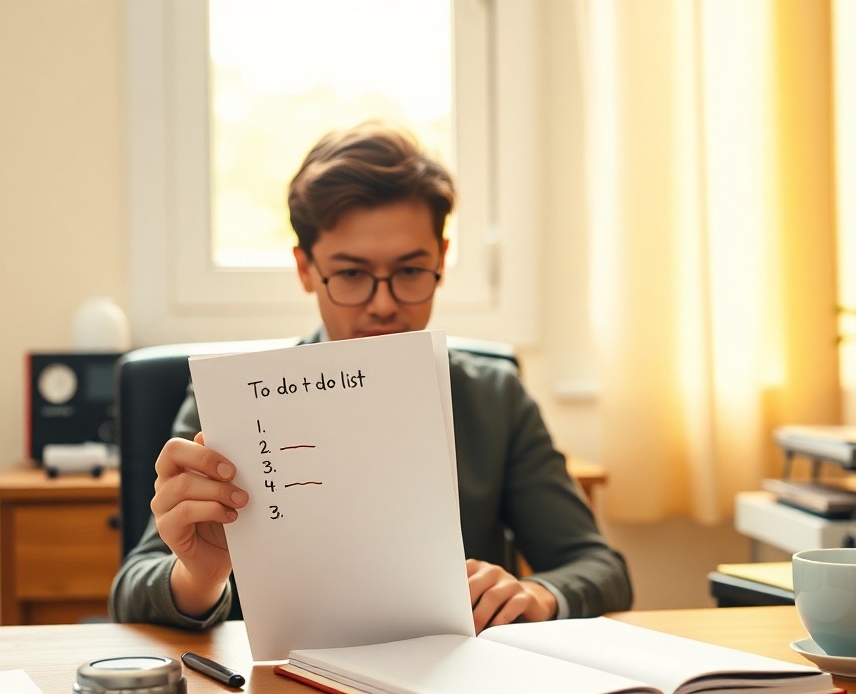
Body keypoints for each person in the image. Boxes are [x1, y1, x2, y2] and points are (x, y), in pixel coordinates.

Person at [109, 122, 632, 633]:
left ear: (442, 260)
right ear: (306, 268)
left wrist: (535, 593)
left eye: (409, 271)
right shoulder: (228, 401)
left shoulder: (494, 398)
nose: (383, 306)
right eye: (352, 275)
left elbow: (597, 567)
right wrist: (199, 576)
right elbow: (132, 587)